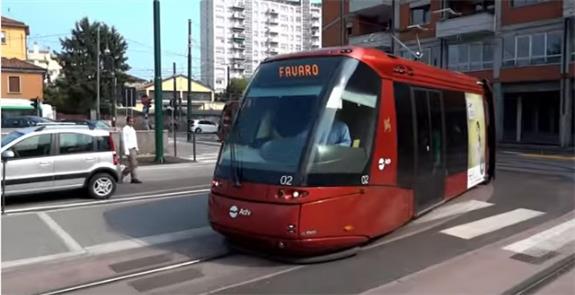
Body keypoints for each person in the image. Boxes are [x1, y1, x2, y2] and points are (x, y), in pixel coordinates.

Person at [122, 116, 142, 184]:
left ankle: (133, 178)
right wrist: (126, 151)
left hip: (133, 148)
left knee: (132, 164)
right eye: (130, 121)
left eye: (133, 121)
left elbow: (134, 139)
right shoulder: (125, 129)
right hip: (129, 148)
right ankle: (123, 174)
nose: (132, 122)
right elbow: (124, 140)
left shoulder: (133, 129)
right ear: (127, 122)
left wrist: (137, 148)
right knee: (133, 164)